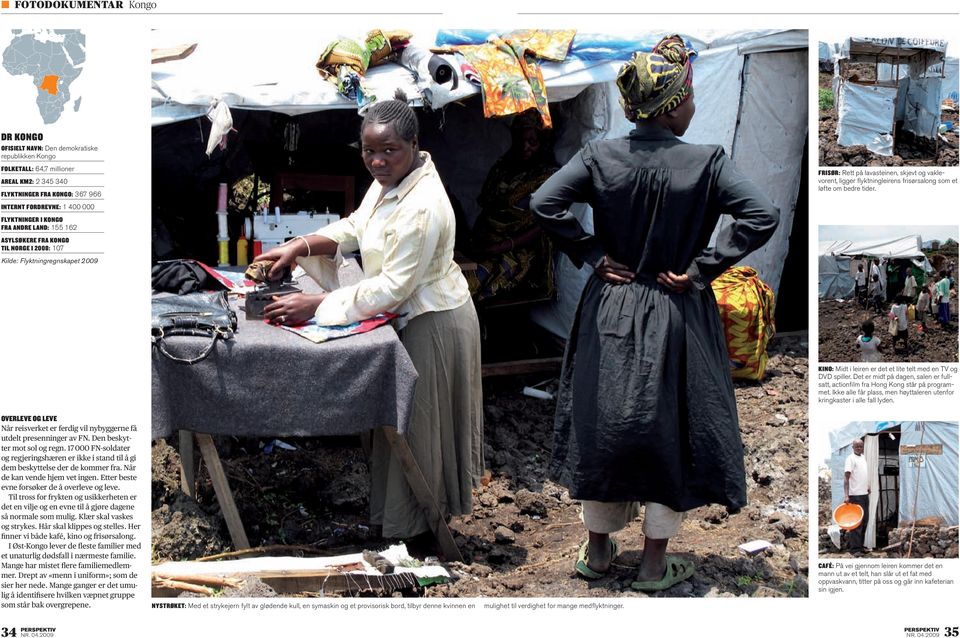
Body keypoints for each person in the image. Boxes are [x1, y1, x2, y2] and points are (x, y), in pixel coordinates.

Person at [530, 35, 779, 591]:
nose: (693, 107)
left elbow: (544, 203)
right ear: (670, 105)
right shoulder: (707, 162)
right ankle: (651, 564)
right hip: (676, 305)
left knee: (603, 421)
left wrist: (591, 252)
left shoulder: (599, 157)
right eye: (689, 97)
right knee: (672, 425)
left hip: (611, 306)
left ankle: (597, 554)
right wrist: (705, 266)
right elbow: (761, 215)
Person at [253, 94, 484, 545]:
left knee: (418, 428)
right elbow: (356, 226)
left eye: (389, 150)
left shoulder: (421, 206)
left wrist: (318, 304)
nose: (377, 161)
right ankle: (396, 523)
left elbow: (392, 288)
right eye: (369, 151)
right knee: (399, 423)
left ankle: (417, 535)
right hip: (410, 316)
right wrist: (300, 246)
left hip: (434, 323)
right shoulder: (390, 183)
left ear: (414, 145)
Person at [465, 109, 559, 301]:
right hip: (487, 240)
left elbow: (544, 225)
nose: (526, 147)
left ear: (542, 142)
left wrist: (504, 245)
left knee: (474, 283)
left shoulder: (549, 176)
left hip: (519, 249)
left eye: (532, 142)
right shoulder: (504, 167)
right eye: (521, 141)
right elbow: (486, 202)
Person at [843, 438, 870, 553]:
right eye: (857, 446)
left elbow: (862, 474)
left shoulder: (863, 457)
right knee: (856, 524)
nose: (859, 448)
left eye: (861, 446)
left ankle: (860, 546)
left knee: (864, 521)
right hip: (855, 496)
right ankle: (855, 549)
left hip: (864, 495)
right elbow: (846, 478)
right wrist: (846, 495)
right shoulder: (850, 459)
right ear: (852, 447)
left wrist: (867, 486)